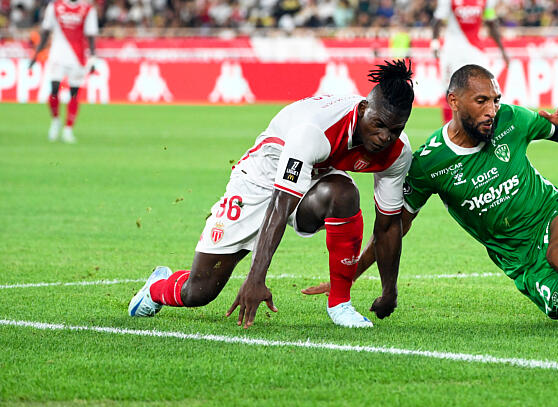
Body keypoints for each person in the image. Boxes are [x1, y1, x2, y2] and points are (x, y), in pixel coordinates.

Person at [305, 64, 558, 337]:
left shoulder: (512, 120)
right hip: (519, 261)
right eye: (482, 101)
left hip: (553, 215)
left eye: (495, 100)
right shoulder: (429, 162)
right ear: (454, 101)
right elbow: (393, 228)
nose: (492, 109)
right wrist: (350, 277)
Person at [129, 60, 415, 329]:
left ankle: (340, 303)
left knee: (343, 193)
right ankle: (158, 286)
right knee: (199, 291)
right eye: (378, 125)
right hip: (260, 178)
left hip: (315, 174)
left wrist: (389, 290)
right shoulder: (315, 130)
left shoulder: (397, 152)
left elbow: (388, 224)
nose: (384, 137)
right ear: (364, 108)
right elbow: (279, 205)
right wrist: (256, 278)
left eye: (395, 129)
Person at [432, 0, 509, 123]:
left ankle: (485, 124)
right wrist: (435, 43)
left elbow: (491, 23)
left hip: (475, 50)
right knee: (448, 88)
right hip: (452, 49)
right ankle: (448, 128)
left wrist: (502, 50)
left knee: (486, 86)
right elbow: (437, 21)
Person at [28, 0, 98, 143]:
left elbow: (91, 36)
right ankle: (55, 120)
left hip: (78, 57)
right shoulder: (55, 6)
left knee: (74, 93)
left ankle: (68, 129)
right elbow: (45, 32)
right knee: (54, 90)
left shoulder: (87, 9)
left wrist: (93, 58)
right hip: (57, 54)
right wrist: (36, 55)